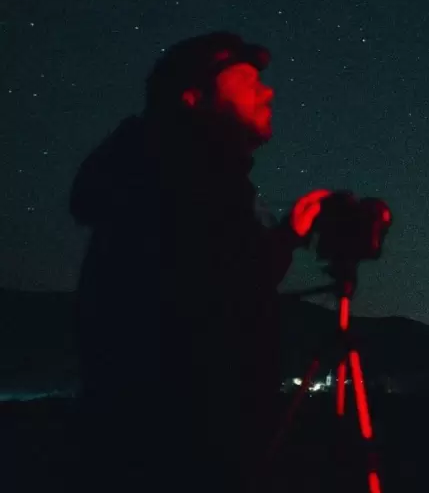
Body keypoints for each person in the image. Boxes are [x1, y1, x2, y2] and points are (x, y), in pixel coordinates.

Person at [69, 32, 331, 492]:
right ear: (194, 99)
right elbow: (198, 308)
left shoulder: (199, 179)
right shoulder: (167, 179)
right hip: (176, 450)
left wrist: (290, 233)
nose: (267, 91)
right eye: (247, 82)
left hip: (203, 437)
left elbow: (235, 281)